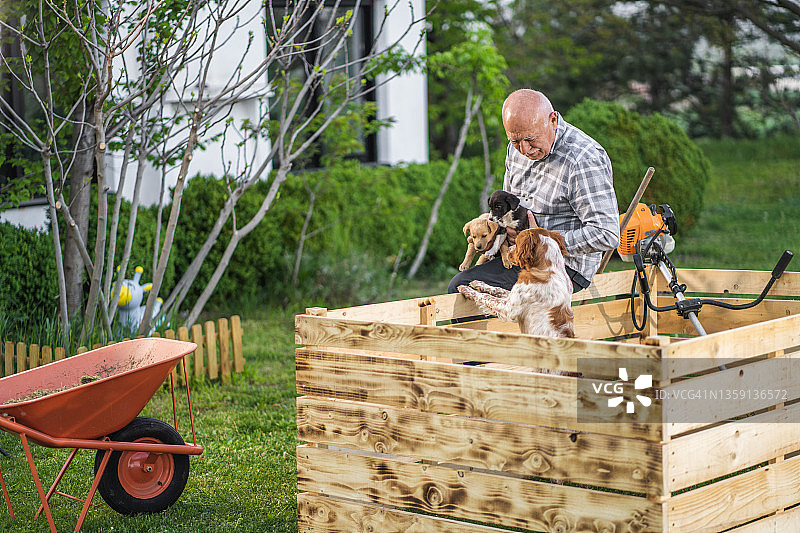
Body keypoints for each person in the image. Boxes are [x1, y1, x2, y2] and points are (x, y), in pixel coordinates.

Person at [449, 88, 620, 294]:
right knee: (462, 286)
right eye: (515, 141)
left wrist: (542, 241)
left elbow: (607, 234)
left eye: (530, 139)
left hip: (563, 266)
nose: (524, 149)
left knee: (465, 288)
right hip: (518, 254)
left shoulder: (583, 159)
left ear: (553, 120)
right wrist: (494, 235)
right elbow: (507, 207)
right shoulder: (516, 148)